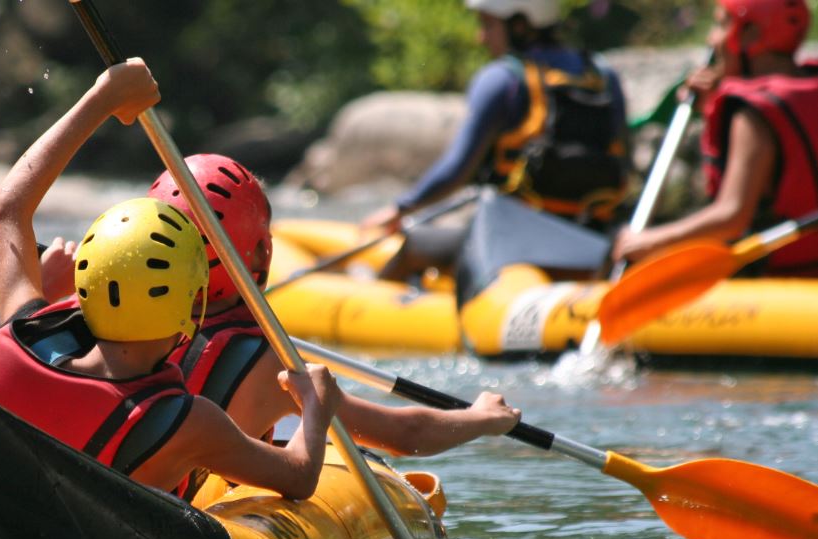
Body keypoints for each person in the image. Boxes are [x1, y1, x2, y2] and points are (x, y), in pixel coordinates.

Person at [0, 58, 342, 501]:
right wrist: (315, 409)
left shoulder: (12, 338)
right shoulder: (188, 422)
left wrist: (102, 98)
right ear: (191, 311)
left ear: (85, 288)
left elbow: (6, 209)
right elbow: (298, 476)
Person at [148, 153, 522, 457]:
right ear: (262, 252)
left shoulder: (129, 327)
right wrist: (482, 417)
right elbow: (405, 434)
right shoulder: (273, 365)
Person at [361, 0, 630, 284]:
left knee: (415, 246)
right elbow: (623, 159)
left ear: (520, 25)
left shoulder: (502, 79)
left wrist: (400, 209)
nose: (481, 37)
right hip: (593, 242)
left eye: (487, 24)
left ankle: (374, 296)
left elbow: (456, 170)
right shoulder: (603, 75)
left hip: (511, 244)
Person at [611, 0, 818, 276]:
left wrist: (648, 242)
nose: (712, 39)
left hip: (782, 280)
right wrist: (713, 106)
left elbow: (731, 217)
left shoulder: (752, 113)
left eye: (721, 25)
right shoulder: (806, 86)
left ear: (751, 34)